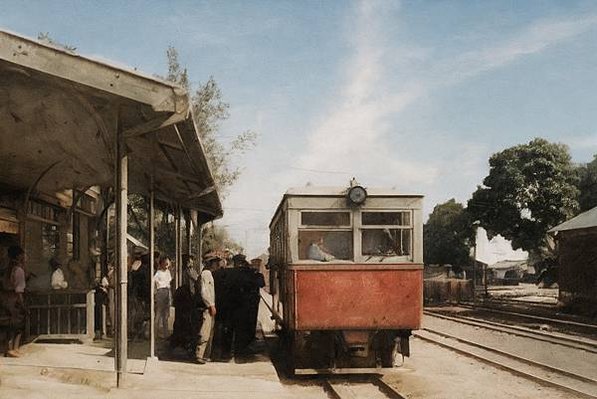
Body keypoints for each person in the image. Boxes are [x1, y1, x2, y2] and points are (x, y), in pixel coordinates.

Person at [1, 246, 27, 357]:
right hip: (14, 299)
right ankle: (13, 348)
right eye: (23, 254)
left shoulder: (7, 268)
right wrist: (23, 305)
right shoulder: (19, 270)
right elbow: (19, 291)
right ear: (19, 256)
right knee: (18, 325)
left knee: (8, 324)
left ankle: (10, 348)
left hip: (4, 299)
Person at [195, 255, 218, 364]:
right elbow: (204, 292)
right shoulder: (206, 274)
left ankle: (205, 355)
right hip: (206, 307)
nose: (217, 264)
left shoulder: (208, 274)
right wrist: (211, 305)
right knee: (205, 331)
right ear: (210, 263)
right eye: (215, 262)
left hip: (208, 306)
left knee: (208, 331)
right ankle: (200, 354)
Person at [154, 257, 172, 339]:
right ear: (161, 264)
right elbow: (154, 282)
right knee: (158, 313)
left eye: (167, 264)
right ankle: (155, 333)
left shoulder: (168, 272)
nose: (166, 265)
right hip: (160, 291)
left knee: (166, 314)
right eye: (165, 263)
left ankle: (166, 333)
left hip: (167, 291)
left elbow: (169, 282)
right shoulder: (158, 273)